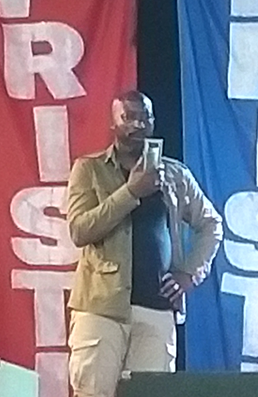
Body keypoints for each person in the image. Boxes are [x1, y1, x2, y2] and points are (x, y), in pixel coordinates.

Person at [66, 90, 222, 397]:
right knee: (92, 393)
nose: (137, 124)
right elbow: (80, 230)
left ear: (153, 123)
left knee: (152, 393)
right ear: (113, 123)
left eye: (144, 117)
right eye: (128, 117)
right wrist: (131, 192)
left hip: (157, 308)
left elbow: (211, 224)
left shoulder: (175, 174)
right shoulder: (89, 169)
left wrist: (189, 273)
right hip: (101, 308)